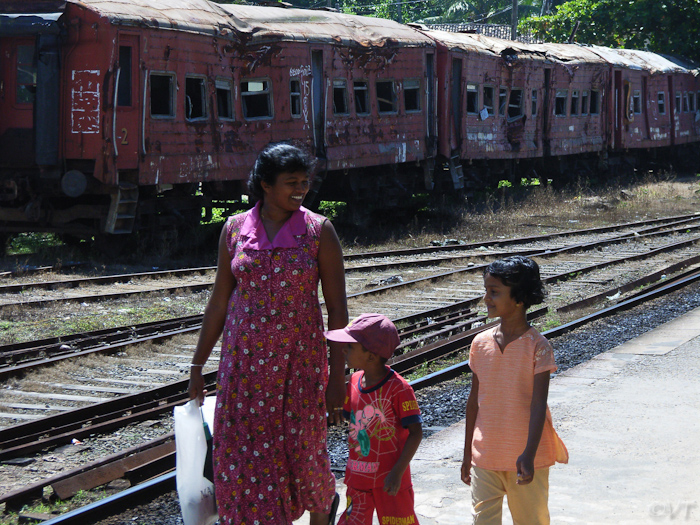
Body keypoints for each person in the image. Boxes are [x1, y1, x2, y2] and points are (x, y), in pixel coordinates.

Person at [187, 142, 348, 525]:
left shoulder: (318, 231)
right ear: (264, 184)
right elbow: (219, 302)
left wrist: (338, 376)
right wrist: (197, 363)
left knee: (304, 452)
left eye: (304, 182)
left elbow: (338, 312)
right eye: (290, 182)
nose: (300, 189)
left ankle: (323, 508)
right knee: (246, 458)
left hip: (300, 368)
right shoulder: (234, 230)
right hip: (244, 371)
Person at [461, 256, 568, 525]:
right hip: (485, 456)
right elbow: (473, 402)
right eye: (486, 290)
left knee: (531, 520)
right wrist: (467, 456)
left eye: (494, 292)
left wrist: (529, 455)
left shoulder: (537, 347)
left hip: (526, 456)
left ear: (519, 298)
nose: (486, 298)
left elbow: (537, 405)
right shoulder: (480, 343)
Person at [325, 313, 423, 525]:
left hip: (390, 480)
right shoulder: (353, 381)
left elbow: (416, 433)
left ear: (370, 356)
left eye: (350, 346)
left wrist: (397, 473)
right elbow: (353, 426)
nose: (344, 350)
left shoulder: (399, 388)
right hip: (358, 479)